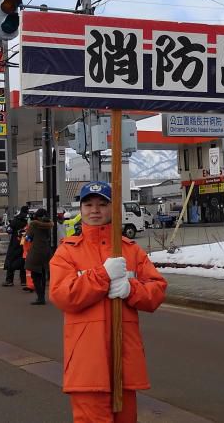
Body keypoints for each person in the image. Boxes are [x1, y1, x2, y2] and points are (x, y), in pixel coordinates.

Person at [50, 181, 168, 422]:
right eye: (89, 204)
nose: (95, 210)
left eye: (102, 204)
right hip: (87, 364)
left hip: (124, 360)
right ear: (80, 209)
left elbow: (157, 291)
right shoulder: (68, 252)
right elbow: (63, 295)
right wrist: (103, 275)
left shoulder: (131, 251)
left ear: (112, 208)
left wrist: (131, 289)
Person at [24, 209, 54, 306]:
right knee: (43, 274)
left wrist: (25, 235)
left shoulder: (33, 224)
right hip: (46, 251)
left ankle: (40, 298)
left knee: (35, 275)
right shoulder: (49, 224)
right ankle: (42, 296)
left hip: (36, 252)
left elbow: (28, 238)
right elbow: (49, 237)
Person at [2, 207, 28, 288]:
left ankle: (9, 280)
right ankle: (23, 281)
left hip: (14, 244)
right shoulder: (27, 222)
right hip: (24, 244)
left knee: (11, 261)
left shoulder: (15, 221)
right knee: (23, 262)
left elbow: (9, 230)